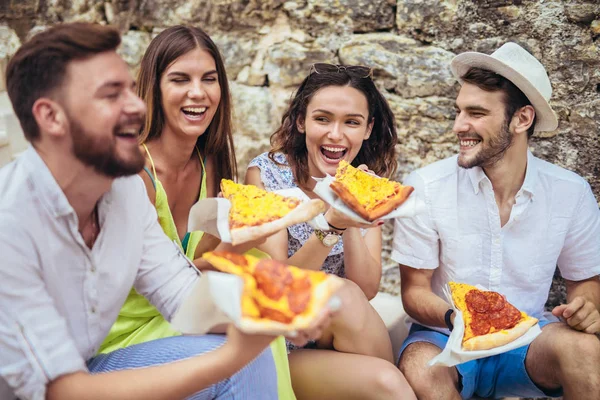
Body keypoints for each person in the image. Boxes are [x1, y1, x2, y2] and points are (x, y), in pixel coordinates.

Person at [0, 22, 330, 400]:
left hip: (89, 363)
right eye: (111, 94)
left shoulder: (122, 191)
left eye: (129, 89)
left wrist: (274, 316)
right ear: (51, 118)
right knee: (235, 361)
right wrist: (235, 353)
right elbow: (62, 391)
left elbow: (185, 298)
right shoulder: (10, 223)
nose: (136, 105)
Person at [98, 25, 296, 400]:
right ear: (152, 89)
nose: (198, 92)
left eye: (209, 79)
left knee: (258, 322)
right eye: (179, 79)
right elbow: (161, 282)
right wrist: (236, 248)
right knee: (244, 350)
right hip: (118, 342)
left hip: (182, 318)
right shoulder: (130, 177)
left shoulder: (211, 163)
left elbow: (204, 263)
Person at [393, 42, 600, 399]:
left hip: (530, 340)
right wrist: (456, 318)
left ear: (522, 119)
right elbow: (413, 291)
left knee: (584, 349)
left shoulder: (571, 192)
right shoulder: (426, 186)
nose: (460, 126)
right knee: (418, 368)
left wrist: (586, 310)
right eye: (458, 112)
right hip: (444, 334)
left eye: (476, 113)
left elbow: (586, 287)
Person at [246, 63, 416, 400]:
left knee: (347, 295)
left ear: (367, 129)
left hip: (335, 329)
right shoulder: (266, 175)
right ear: (301, 122)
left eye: (351, 122)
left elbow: (366, 288)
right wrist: (332, 226)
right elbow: (278, 288)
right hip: (279, 340)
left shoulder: (369, 182)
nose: (336, 135)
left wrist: (350, 207)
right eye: (322, 119)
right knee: (388, 382)